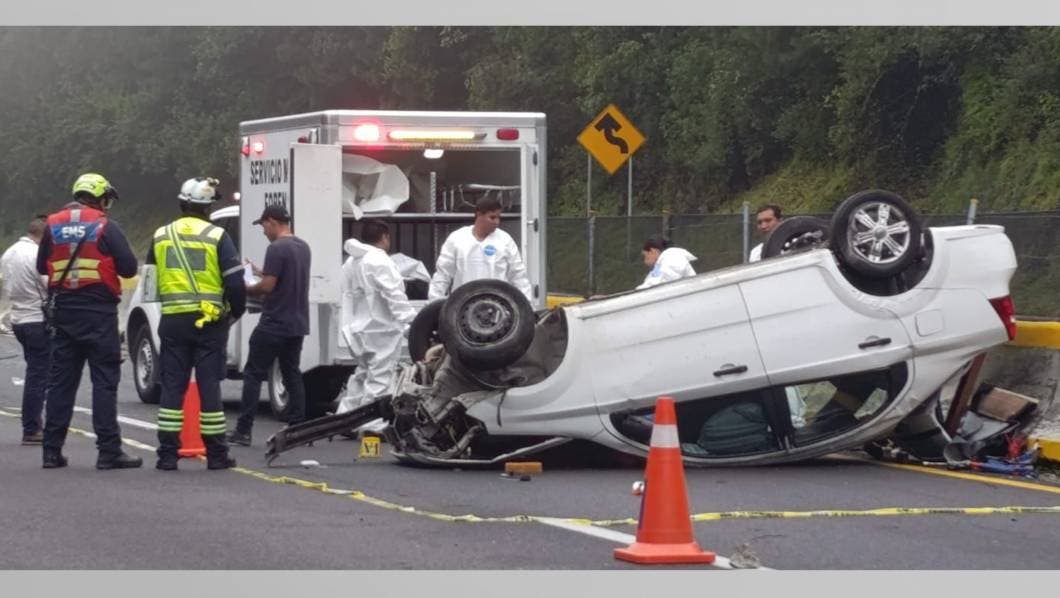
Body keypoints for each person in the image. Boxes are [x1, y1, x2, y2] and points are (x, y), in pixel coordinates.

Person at [36, 173, 142, 469]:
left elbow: (42, 265)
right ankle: (109, 451)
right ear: (97, 197)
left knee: (60, 384)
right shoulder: (106, 225)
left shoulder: (53, 224)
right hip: (98, 313)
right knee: (104, 382)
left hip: (64, 312)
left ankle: (51, 451)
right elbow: (129, 267)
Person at [148, 177, 246, 471]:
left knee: (172, 388)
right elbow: (235, 282)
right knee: (208, 388)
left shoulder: (161, 235)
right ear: (208, 207)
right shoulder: (217, 236)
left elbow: (151, 283)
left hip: (174, 320)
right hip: (209, 322)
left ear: (182, 203)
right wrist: (234, 313)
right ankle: (216, 455)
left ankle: (167, 454)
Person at [227, 204, 311, 446]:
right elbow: (285, 278)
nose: (263, 231)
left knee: (253, 373)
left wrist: (244, 286)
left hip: (274, 322)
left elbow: (267, 287)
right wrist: (261, 271)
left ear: (272, 221)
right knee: (292, 372)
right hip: (297, 322)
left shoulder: (276, 248)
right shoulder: (302, 247)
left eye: (263, 225)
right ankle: (298, 429)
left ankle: (243, 431)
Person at [337, 219, 416, 433]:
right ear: (385, 237)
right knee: (380, 377)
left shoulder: (352, 261)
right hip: (381, 329)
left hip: (358, 328)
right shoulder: (379, 261)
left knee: (363, 373)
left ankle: (346, 418)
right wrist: (412, 321)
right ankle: (372, 424)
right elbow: (394, 294)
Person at [428, 196, 532, 302]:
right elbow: (443, 274)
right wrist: (433, 302)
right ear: (479, 215)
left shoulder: (505, 240)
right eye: (492, 217)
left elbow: (518, 275)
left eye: (498, 217)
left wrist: (528, 306)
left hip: (497, 304)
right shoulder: (457, 239)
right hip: (462, 305)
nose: (497, 222)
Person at [2, 215, 49, 445]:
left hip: (18, 318)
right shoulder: (36, 254)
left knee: (35, 371)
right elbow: (49, 284)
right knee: (39, 375)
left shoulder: (9, 253)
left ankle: (33, 425)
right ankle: (32, 428)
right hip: (37, 318)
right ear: (43, 235)